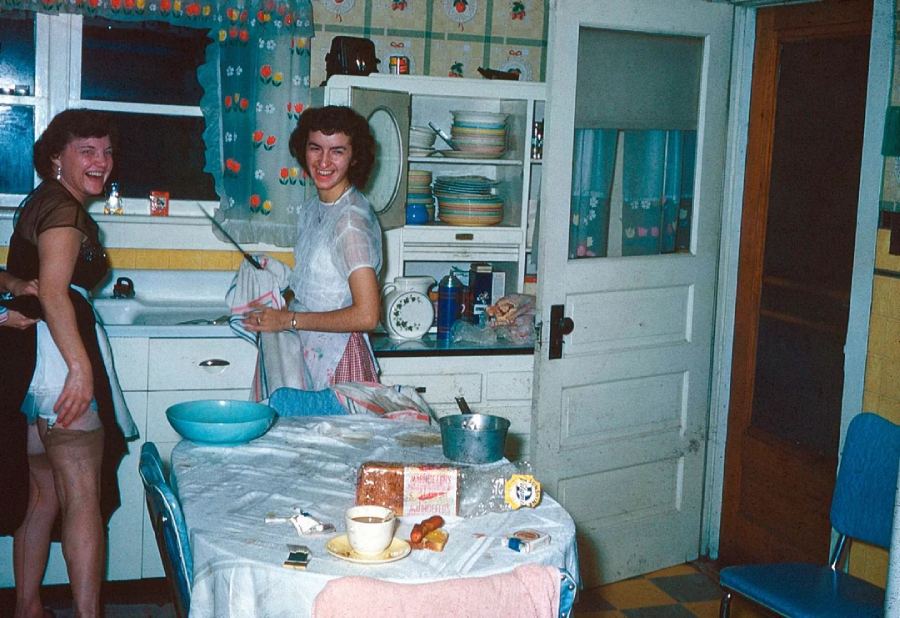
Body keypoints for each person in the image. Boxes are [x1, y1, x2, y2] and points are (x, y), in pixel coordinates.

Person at [1, 109, 132, 618]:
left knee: (43, 495)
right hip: (58, 361)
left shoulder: (41, 201)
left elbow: (30, 281)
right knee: (82, 498)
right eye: (87, 150)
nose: (102, 161)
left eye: (106, 151)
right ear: (57, 156)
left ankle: (27, 606)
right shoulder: (65, 211)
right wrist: (80, 370)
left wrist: (12, 287)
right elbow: (55, 294)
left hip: (32, 367)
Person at [242, 106, 383, 392]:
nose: (323, 161)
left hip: (338, 360)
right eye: (315, 148)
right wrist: (279, 299)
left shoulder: (350, 223)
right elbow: (320, 286)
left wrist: (288, 319)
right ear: (303, 150)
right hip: (306, 347)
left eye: (337, 151)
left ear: (355, 157)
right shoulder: (313, 207)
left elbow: (367, 315)